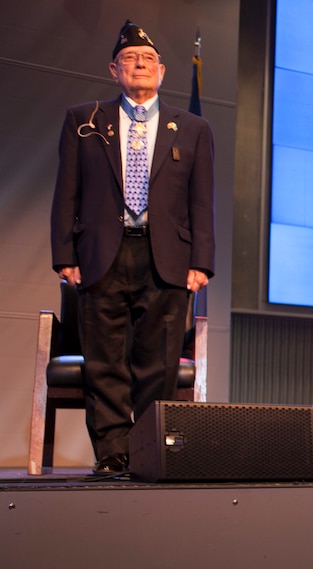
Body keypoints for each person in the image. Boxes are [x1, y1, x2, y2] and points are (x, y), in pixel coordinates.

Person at [51, 20, 215, 475]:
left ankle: (148, 452)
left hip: (167, 258)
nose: (139, 65)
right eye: (129, 59)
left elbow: (202, 200)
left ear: (161, 72)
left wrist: (201, 262)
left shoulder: (194, 128)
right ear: (113, 69)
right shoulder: (84, 120)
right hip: (101, 254)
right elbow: (67, 190)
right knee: (104, 362)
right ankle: (112, 455)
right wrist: (65, 254)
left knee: (156, 364)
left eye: (148, 60)